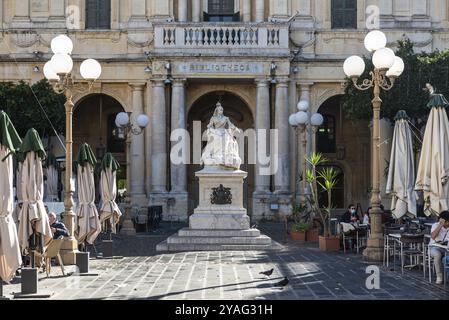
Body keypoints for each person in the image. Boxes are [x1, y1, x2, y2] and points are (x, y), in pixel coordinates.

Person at [429, 211, 449, 284]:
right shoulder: (435, 225)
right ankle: (439, 277)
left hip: (446, 248)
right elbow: (433, 236)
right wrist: (440, 225)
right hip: (434, 247)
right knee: (437, 255)